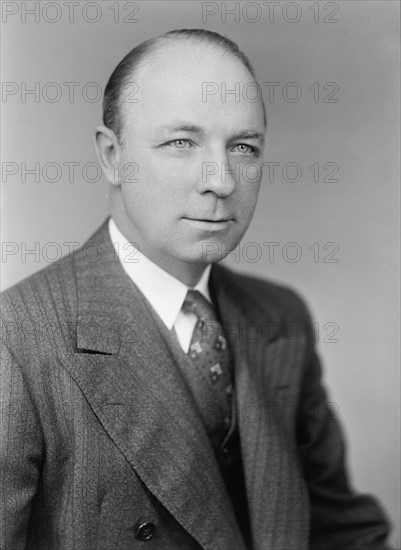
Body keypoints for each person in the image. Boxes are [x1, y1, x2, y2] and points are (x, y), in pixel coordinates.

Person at [0, 29, 392, 550]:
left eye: (244, 147)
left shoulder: (280, 318)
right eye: (181, 143)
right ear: (111, 156)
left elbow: (341, 532)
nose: (222, 179)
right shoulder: (16, 341)